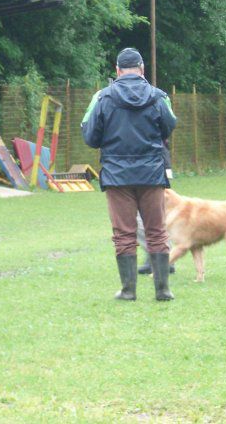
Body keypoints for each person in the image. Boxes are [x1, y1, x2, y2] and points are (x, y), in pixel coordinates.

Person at [81, 48, 177, 301]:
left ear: (117, 70)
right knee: (157, 230)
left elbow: (90, 137)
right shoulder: (159, 97)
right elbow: (169, 126)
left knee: (124, 233)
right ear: (142, 69)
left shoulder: (102, 98)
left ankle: (128, 290)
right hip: (152, 174)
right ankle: (163, 290)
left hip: (116, 176)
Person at [137, 140, 175, 276]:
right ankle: (159, 258)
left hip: (151, 172)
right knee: (150, 219)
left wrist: (167, 171)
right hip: (143, 170)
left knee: (138, 219)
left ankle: (162, 257)